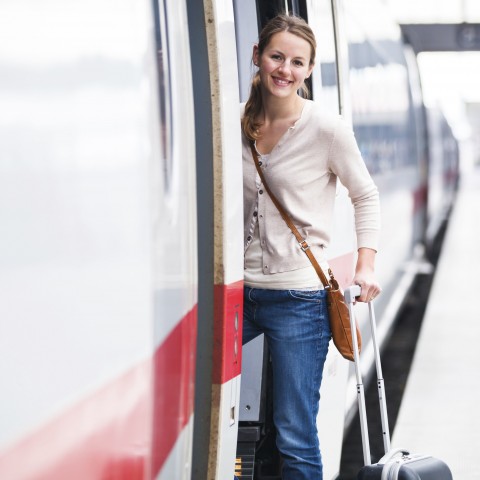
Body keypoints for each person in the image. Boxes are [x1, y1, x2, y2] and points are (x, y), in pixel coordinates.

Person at [241, 14, 381, 480]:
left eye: (297, 62)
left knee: (294, 433)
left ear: (309, 70)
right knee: (190, 396)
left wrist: (366, 265)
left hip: (298, 298)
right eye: (277, 56)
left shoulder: (326, 128)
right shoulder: (236, 120)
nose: (285, 69)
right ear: (258, 56)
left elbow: (365, 195)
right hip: (238, 290)